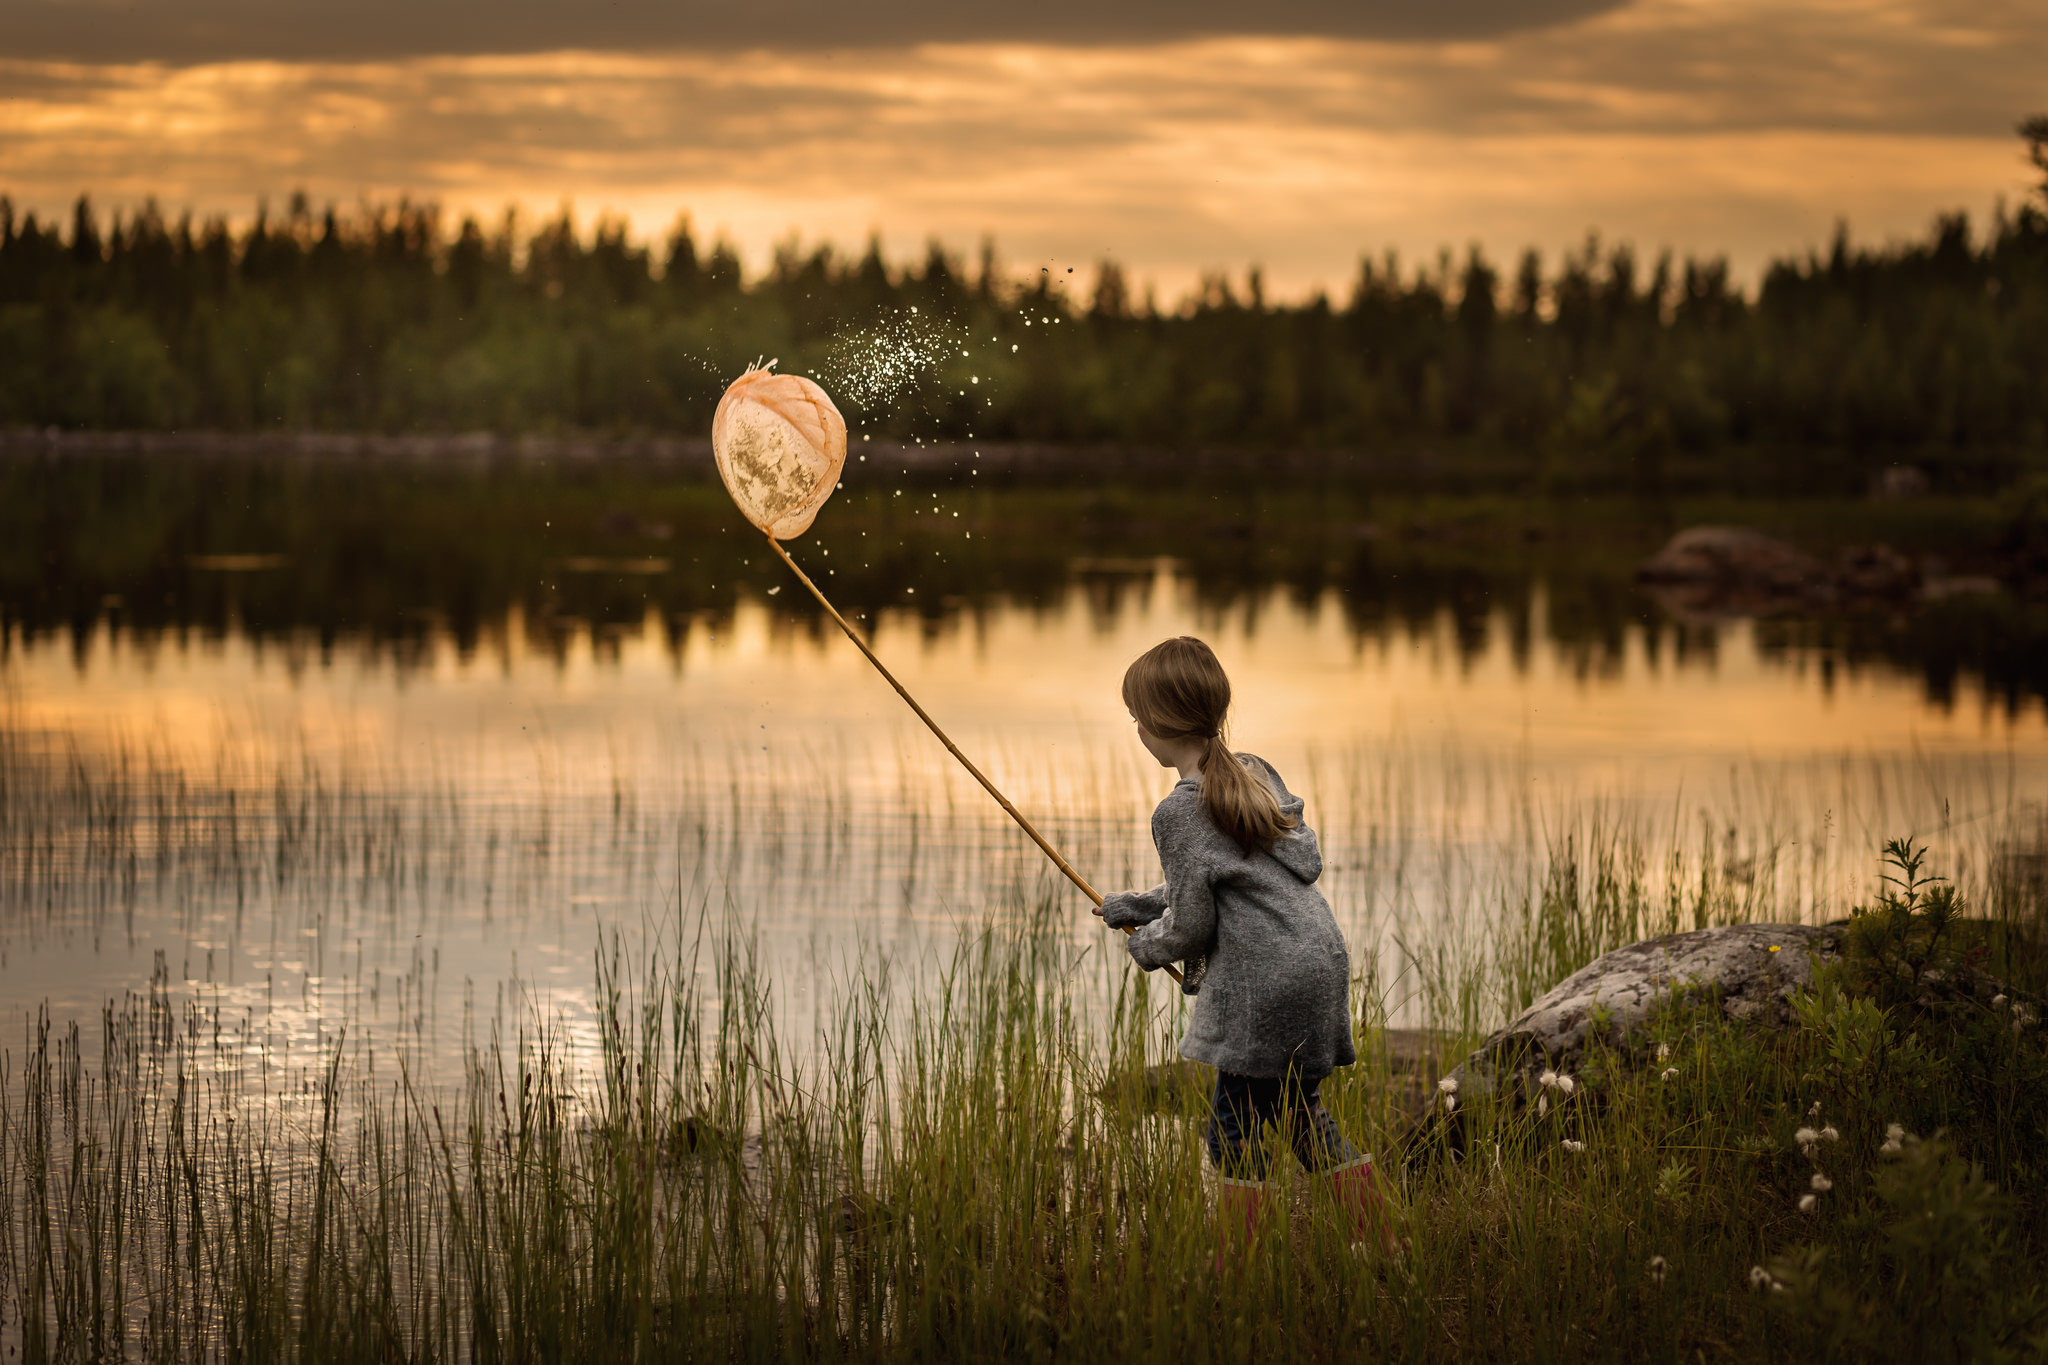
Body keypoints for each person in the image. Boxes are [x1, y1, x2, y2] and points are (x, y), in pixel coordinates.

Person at [1095, 636, 1382, 1261]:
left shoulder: (1178, 812)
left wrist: (1147, 947)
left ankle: (1237, 1266)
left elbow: (1193, 925)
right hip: (1317, 962)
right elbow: (1231, 876)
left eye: (1138, 716)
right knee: (1301, 1114)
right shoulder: (1252, 771)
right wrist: (1138, 905)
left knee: (1232, 1128)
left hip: (1264, 981)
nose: (1136, 728)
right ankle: (1380, 1240)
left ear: (1156, 727)